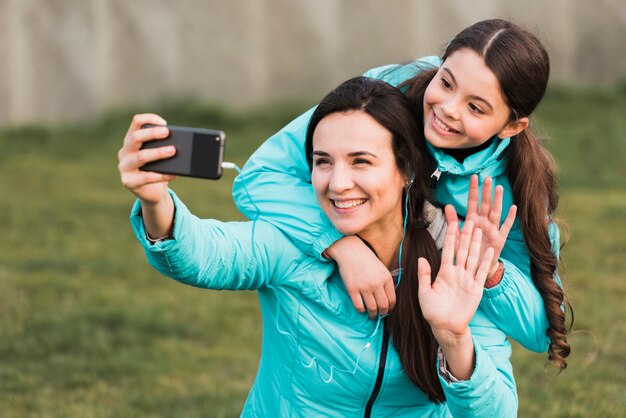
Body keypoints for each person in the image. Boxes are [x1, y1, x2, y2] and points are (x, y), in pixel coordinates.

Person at [119, 76, 518, 416]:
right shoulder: (293, 241)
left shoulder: (455, 255)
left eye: (361, 161)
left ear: (406, 169)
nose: (337, 183)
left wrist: (453, 337)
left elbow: (497, 411)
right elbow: (205, 255)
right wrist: (157, 202)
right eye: (323, 161)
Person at [232, 18, 571, 370]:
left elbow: (540, 331)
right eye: (446, 82)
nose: (448, 109)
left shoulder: (512, 190)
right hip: (328, 338)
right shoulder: (387, 92)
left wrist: (491, 272)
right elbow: (259, 176)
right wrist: (340, 245)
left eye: (476, 107)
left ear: (511, 126)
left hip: (429, 354)